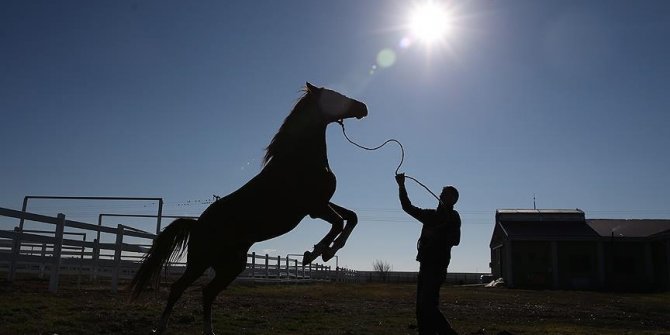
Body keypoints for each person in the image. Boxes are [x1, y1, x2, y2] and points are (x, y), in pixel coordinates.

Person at [395, 173, 461, 335]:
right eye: (441, 192)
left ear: (452, 199)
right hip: (425, 265)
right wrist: (401, 186)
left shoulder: (453, 217)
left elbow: (455, 240)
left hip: (438, 266)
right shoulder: (430, 215)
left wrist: (435, 233)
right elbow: (407, 207)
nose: (440, 195)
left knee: (428, 305)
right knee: (421, 307)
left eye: (444, 193)